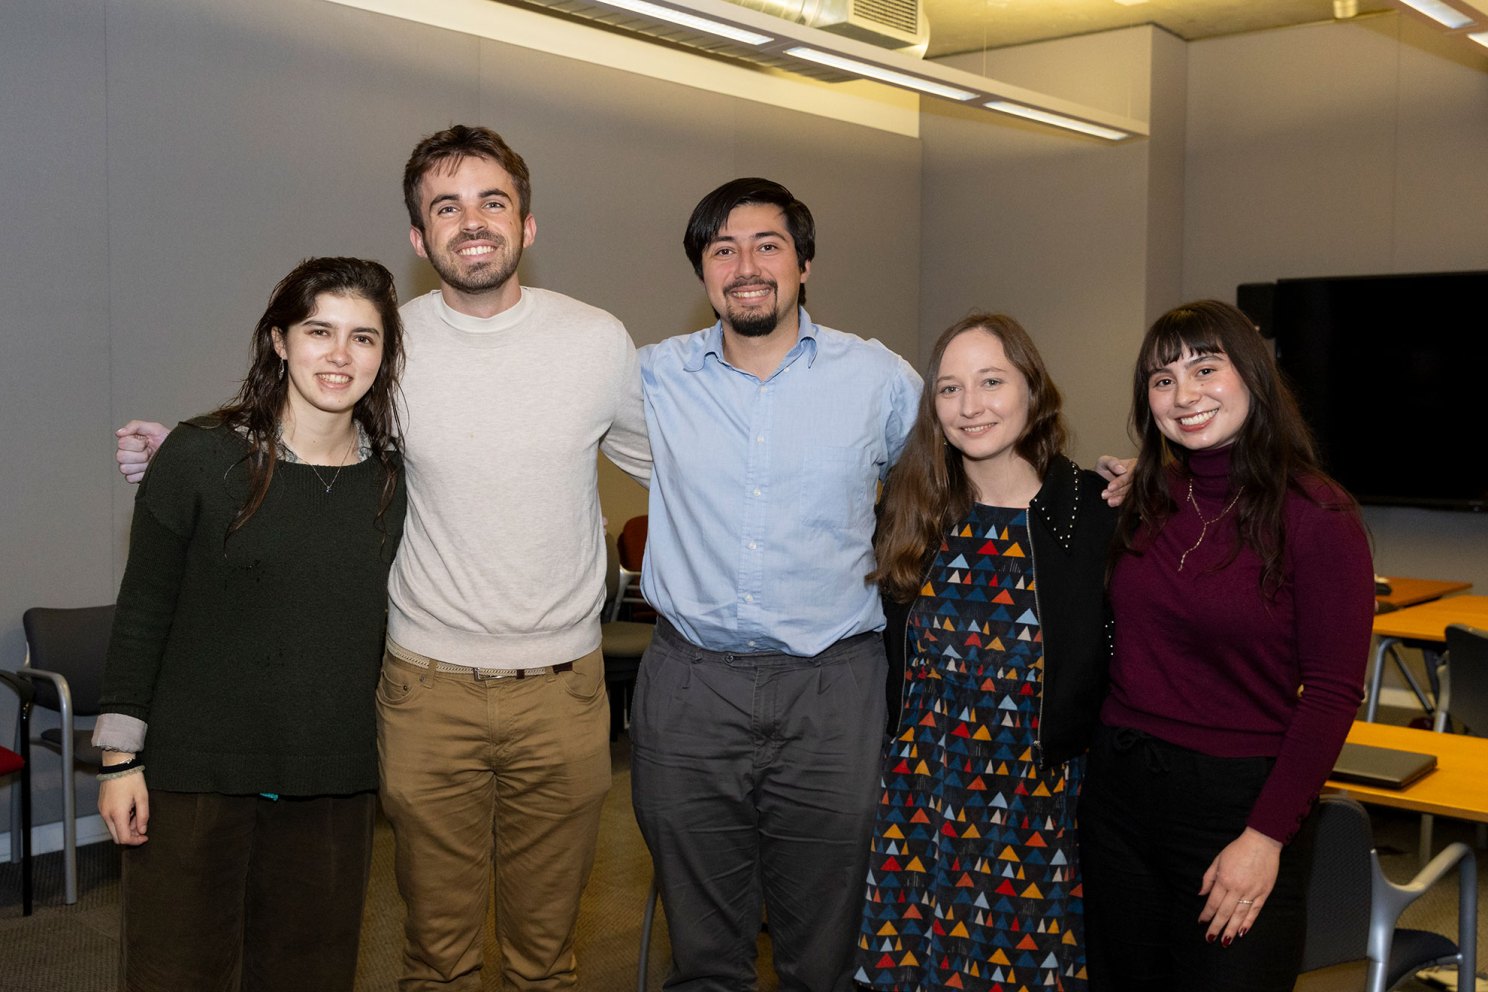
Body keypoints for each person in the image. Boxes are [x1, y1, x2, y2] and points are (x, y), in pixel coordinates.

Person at [112, 125, 652, 992]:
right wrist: (187, 445)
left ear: (527, 223)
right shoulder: (392, 341)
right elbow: (302, 411)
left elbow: (675, 463)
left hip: (563, 689)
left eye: (492, 202)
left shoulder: (596, 341)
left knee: (545, 958)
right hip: (425, 691)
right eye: (446, 207)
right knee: (433, 956)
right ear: (418, 237)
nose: (471, 222)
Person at [629, 177, 921, 991]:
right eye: (723, 249)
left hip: (832, 691)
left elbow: (963, 468)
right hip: (691, 689)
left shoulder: (879, 379)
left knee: (824, 952)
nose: (746, 265)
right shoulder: (652, 377)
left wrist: (1101, 487)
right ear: (702, 271)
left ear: (805, 264)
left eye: (768, 245)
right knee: (704, 952)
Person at [94, 257, 407, 992]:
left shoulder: (396, 483)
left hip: (332, 778)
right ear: (279, 341)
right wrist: (118, 762)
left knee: (311, 974)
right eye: (319, 331)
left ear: (384, 356)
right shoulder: (199, 457)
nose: (339, 355)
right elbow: (142, 613)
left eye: (363, 338)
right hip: (195, 775)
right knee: (175, 973)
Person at [1077, 300, 1374, 992]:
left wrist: (1265, 837)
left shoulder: (1318, 516)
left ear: (1253, 377)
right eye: (1163, 379)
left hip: (1238, 806)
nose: (1185, 394)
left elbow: (1333, 694)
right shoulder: (1145, 499)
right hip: (1118, 794)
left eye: (1205, 369)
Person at [855, 313, 1115, 992]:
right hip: (921, 802)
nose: (970, 405)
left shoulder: (1097, 512)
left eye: (991, 381)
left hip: (1039, 811)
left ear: (1033, 389)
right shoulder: (909, 512)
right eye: (950, 388)